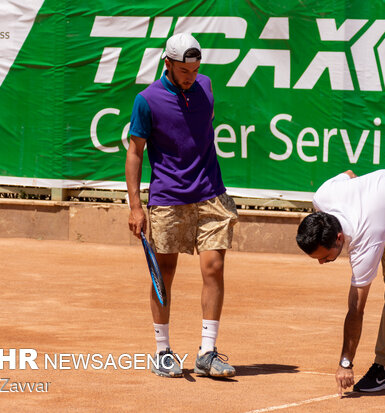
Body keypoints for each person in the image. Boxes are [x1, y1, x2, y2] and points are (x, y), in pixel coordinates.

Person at [125, 33, 238, 378]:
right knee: (164, 275)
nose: (190, 76)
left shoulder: (206, 86)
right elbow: (135, 153)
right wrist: (135, 206)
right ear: (167, 64)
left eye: (194, 69)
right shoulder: (146, 101)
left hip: (210, 193)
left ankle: (207, 352)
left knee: (214, 268)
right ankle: (163, 351)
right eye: (184, 70)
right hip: (167, 199)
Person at [295, 169, 385, 394]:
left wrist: (345, 362)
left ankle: (383, 367)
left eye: (324, 256)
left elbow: (356, 310)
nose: (321, 262)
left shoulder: (366, 239)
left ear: (339, 238)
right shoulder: (322, 197)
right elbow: (350, 174)